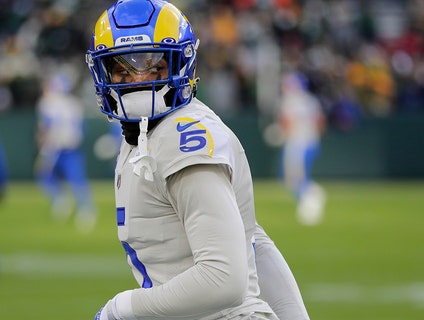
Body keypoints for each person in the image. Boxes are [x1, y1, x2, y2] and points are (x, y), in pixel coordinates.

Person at [86, 1, 309, 319]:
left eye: (153, 66)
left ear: (182, 63)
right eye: (121, 69)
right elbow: (252, 242)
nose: (137, 81)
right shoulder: (141, 133)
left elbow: (223, 279)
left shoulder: (182, 136)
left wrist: (120, 309)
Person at [34, 71, 97, 233]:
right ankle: (83, 210)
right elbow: (82, 128)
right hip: (71, 146)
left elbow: (45, 129)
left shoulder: (47, 103)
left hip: (55, 147)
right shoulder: (74, 104)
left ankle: (63, 202)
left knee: (45, 175)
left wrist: (44, 146)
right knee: (76, 180)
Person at [278, 72, 326, 226]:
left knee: (293, 178)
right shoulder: (310, 100)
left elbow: (287, 123)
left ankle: (312, 197)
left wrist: (280, 134)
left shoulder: (290, 101)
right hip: (310, 142)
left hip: (297, 143)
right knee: (294, 177)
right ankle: (310, 196)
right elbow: (320, 121)